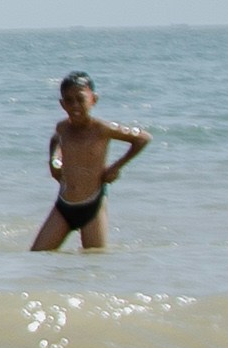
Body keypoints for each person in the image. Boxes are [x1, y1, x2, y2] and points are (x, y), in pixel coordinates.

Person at [33, 71, 152, 252]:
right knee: (37, 255)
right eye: (69, 100)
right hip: (64, 205)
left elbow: (143, 138)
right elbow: (55, 139)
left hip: (92, 205)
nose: (75, 106)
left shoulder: (102, 129)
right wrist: (54, 161)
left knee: (95, 262)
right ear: (62, 103)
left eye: (80, 99)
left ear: (93, 99)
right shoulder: (63, 127)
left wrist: (115, 167)